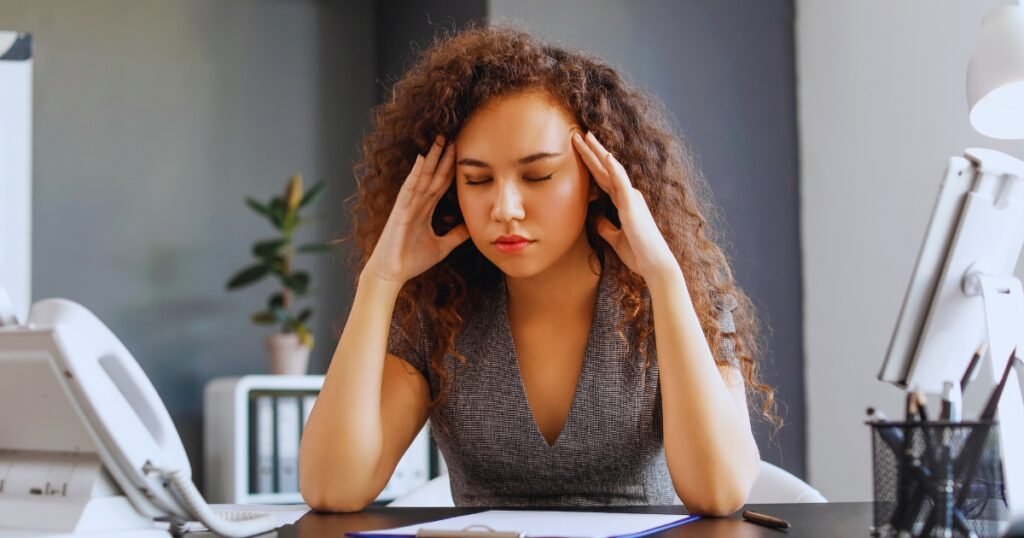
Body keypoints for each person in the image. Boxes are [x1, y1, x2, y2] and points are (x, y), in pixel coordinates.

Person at [299, 25, 779, 516]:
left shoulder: (678, 300)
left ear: (596, 180)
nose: (505, 207)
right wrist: (380, 281)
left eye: (538, 176)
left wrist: (665, 278)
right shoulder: (436, 313)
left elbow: (719, 492)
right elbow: (331, 488)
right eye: (477, 179)